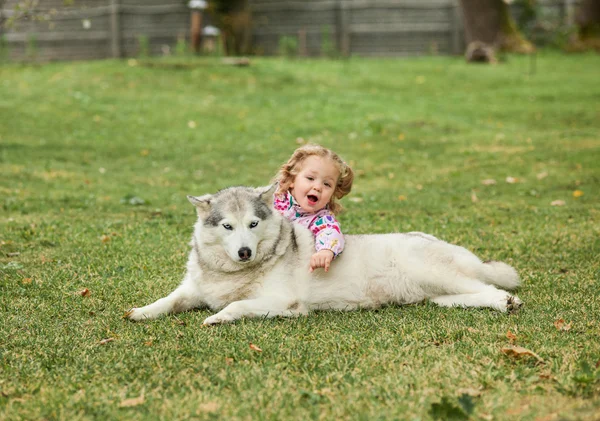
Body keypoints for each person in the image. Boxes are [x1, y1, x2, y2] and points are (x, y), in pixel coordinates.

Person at [272, 144, 354, 272]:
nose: (318, 187)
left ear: (332, 193)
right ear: (292, 179)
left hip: (288, 268)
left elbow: (331, 232)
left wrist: (326, 250)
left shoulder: (320, 218)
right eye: (310, 178)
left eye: (327, 184)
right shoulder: (274, 198)